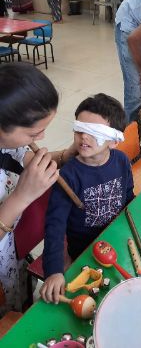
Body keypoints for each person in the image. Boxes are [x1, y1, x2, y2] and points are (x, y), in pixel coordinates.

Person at [40, 93, 134, 304]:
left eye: (94, 132)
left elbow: (128, 196)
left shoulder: (121, 161)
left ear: (114, 140)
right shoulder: (68, 176)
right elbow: (54, 227)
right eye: (80, 130)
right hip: (84, 250)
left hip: (117, 238)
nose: (84, 137)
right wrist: (54, 271)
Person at [0, 62, 76, 316]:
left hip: (11, 255)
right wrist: (22, 196)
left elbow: (20, 155)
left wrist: (64, 156)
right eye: (34, 133)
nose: (41, 139)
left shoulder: (6, 141)